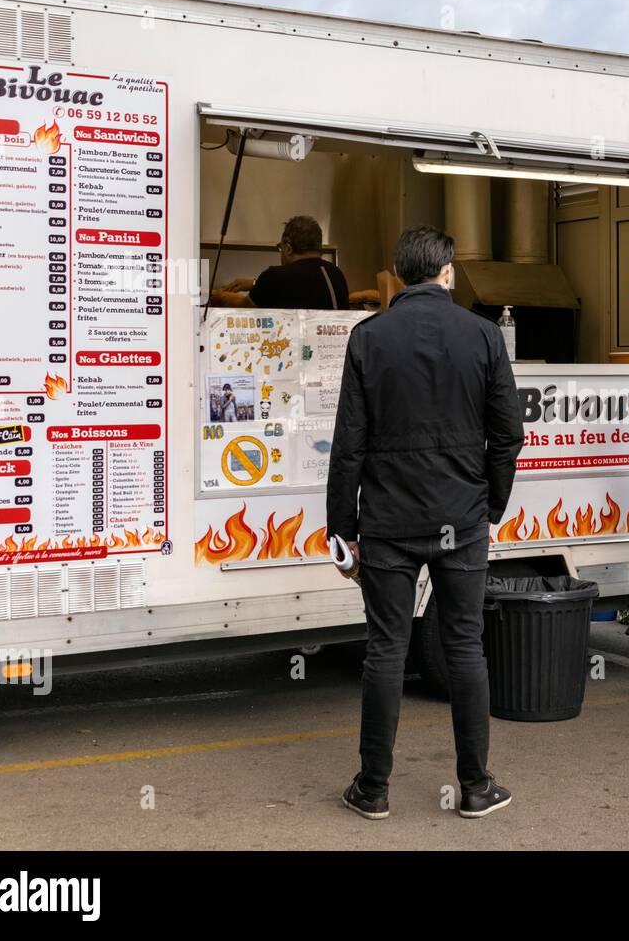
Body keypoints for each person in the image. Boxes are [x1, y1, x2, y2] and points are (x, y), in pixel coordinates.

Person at [327, 225, 524, 820]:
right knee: (465, 647)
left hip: (386, 520)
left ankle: (374, 788)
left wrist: (343, 531)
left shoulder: (368, 338)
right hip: (461, 520)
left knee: (386, 649)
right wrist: (490, 504)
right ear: (447, 273)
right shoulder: (485, 336)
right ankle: (476, 787)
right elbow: (508, 433)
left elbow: (348, 447)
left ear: (398, 275)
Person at [210, 215, 350, 310]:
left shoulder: (274, 276)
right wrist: (254, 284)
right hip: (333, 352)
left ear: (288, 248)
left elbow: (244, 307)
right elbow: (302, 285)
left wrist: (219, 295)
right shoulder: (335, 274)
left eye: (280, 248)